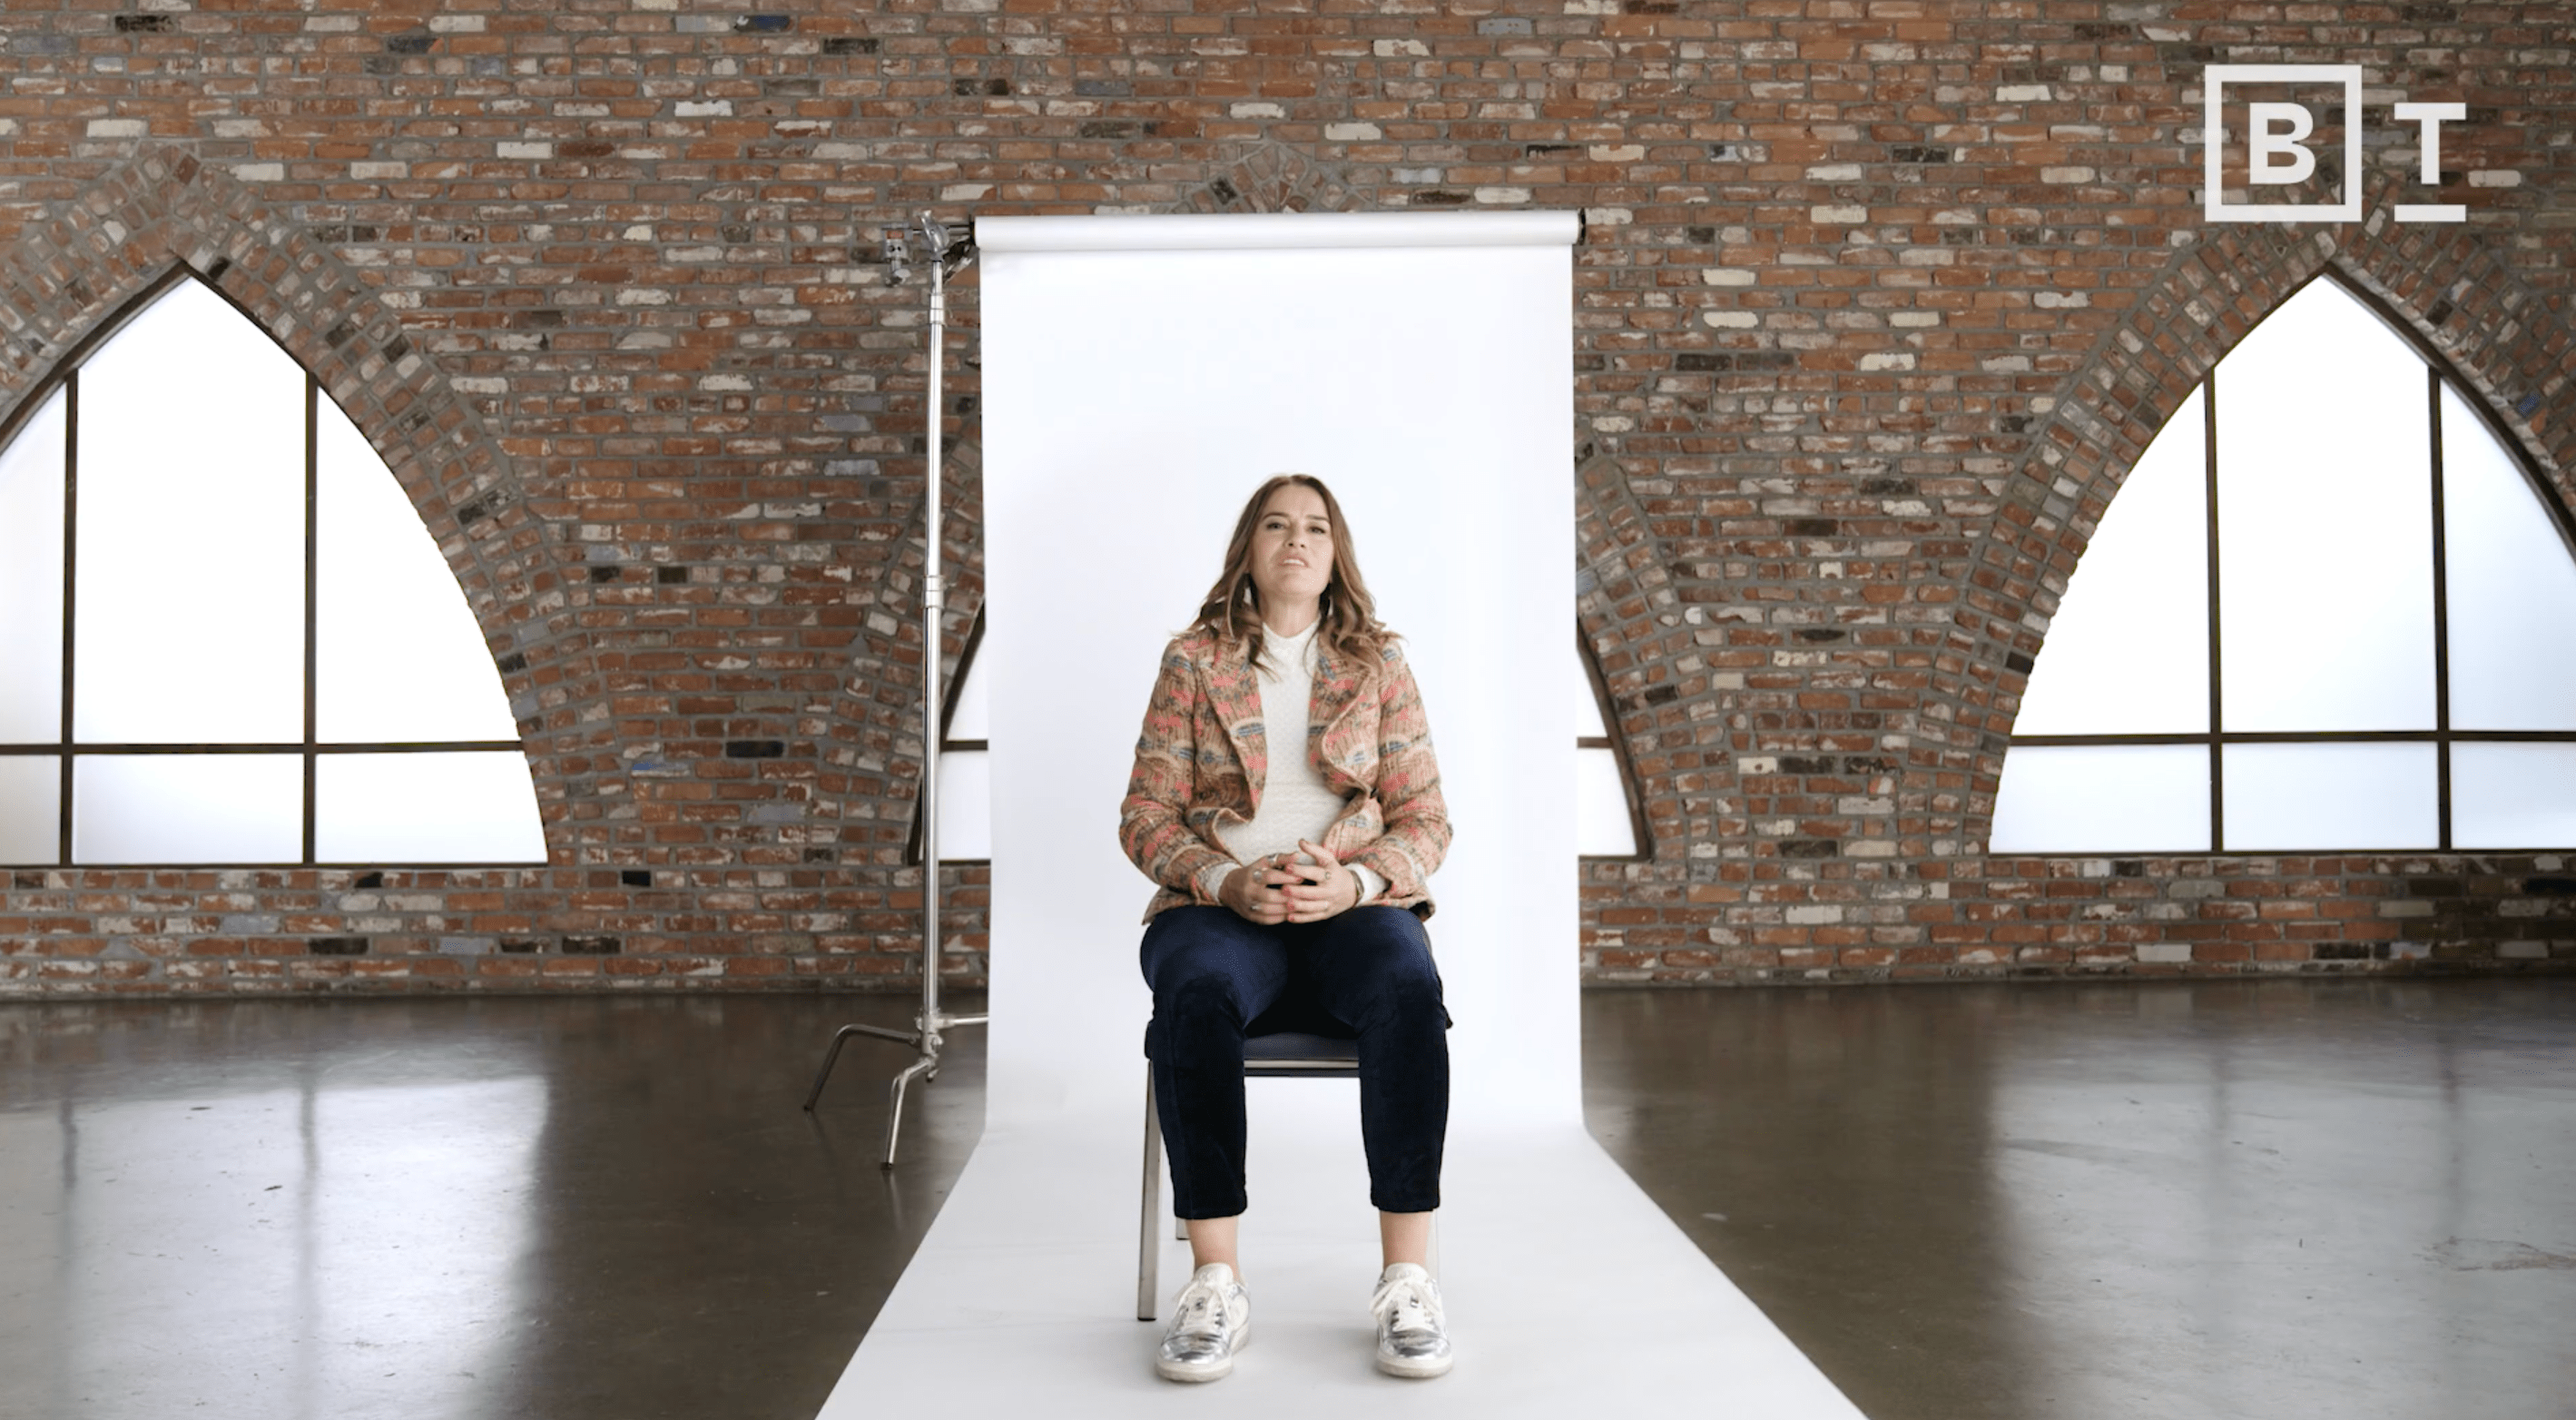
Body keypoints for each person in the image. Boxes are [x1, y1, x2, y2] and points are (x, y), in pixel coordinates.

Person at [1118, 473, 1456, 1384]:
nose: (1297, 540)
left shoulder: (1379, 664)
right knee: (1192, 987)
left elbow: (1426, 822)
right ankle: (1215, 1281)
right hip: (1222, 915)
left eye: (1315, 527)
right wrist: (1229, 882)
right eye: (1277, 524)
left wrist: (1350, 882)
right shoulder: (1194, 660)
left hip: (1349, 909)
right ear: (1250, 548)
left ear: (1335, 552)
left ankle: (1408, 1279)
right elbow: (1145, 815)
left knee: (1408, 982)